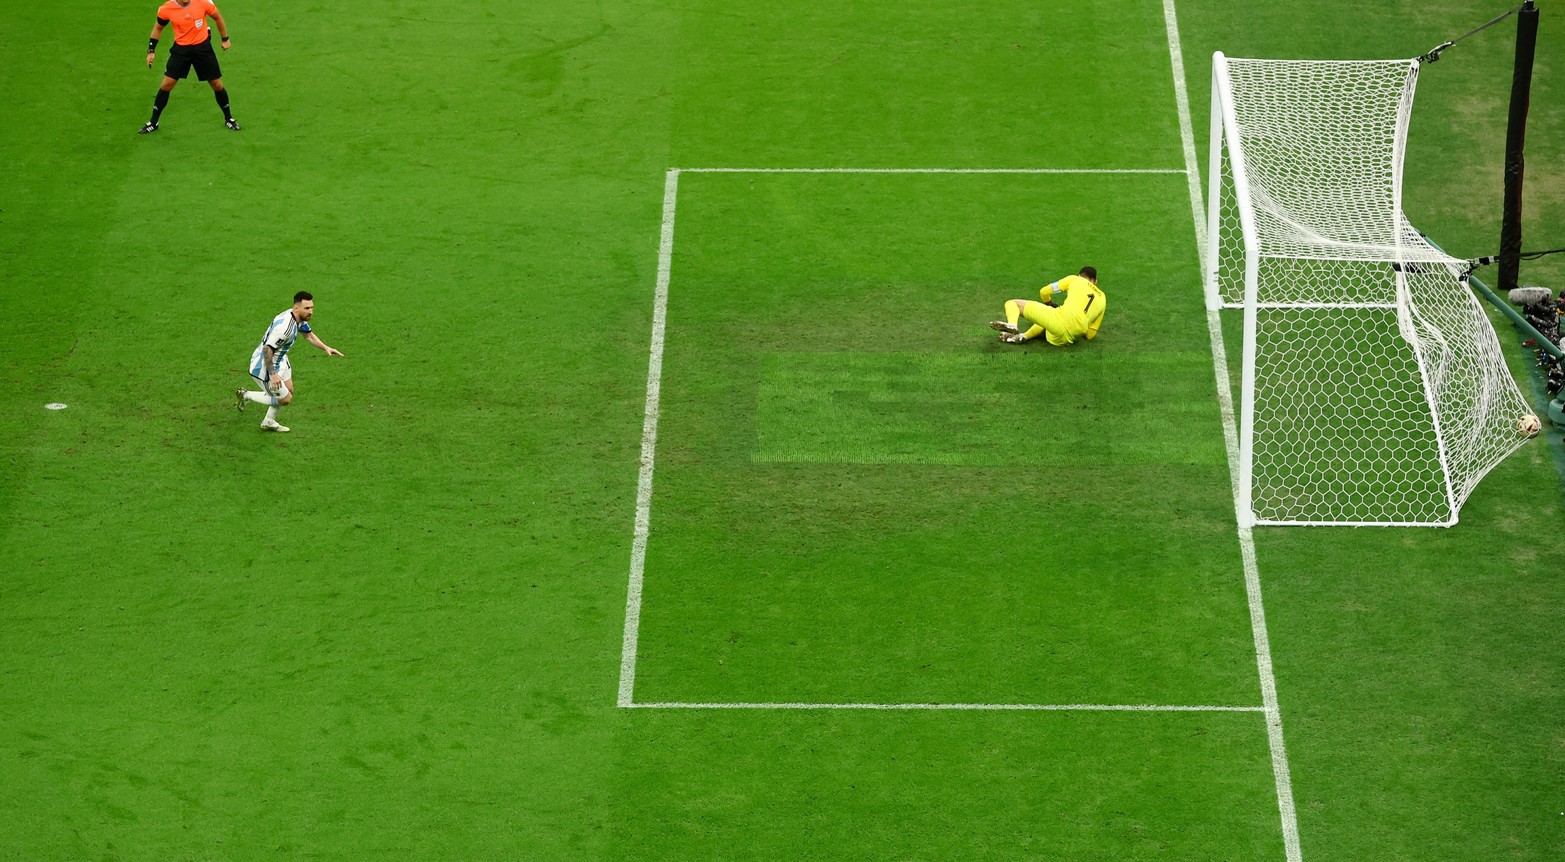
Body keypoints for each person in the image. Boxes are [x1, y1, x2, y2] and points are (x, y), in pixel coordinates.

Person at [236, 292, 344, 432]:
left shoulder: (298, 317)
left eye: (311, 307)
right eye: (307, 308)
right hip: (265, 366)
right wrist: (273, 374)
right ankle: (245, 395)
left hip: (280, 359)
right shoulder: (285, 328)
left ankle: (268, 421)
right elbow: (267, 349)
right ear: (296, 308)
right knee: (285, 399)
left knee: (289, 389)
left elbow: (308, 335)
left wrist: (326, 348)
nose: (310, 311)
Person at [140, 0, 239, 134]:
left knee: (217, 84)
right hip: (181, 50)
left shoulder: (203, 3)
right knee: (166, 84)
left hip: (202, 49)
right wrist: (151, 51)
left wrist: (225, 38)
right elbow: (158, 27)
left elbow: (217, 17)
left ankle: (229, 118)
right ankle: (153, 122)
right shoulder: (166, 8)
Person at [990, 266, 1106, 346]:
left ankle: (1012, 325)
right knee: (1048, 317)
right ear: (1095, 282)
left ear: (1079, 275)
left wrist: (1048, 302)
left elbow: (1044, 292)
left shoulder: (1075, 279)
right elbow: (1091, 335)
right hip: (1066, 339)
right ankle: (1023, 337)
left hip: (1059, 322)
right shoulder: (1103, 298)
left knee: (1012, 303)